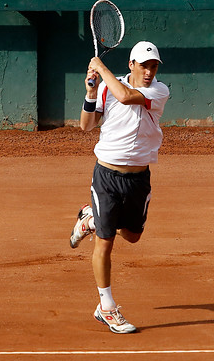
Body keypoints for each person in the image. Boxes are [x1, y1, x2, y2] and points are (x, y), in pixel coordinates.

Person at [69, 41, 170, 334]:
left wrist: (101, 67)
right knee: (105, 242)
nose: (149, 72)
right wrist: (90, 93)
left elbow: (125, 96)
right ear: (131, 65)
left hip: (139, 178)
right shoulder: (106, 88)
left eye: (153, 66)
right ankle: (107, 307)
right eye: (144, 66)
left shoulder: (158, 91)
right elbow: (86, 126)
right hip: (107, 176)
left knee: (133, 236)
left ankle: (90, 220)